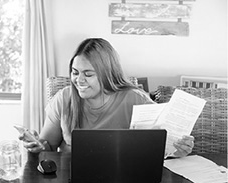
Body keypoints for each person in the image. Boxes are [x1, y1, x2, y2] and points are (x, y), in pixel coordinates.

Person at [19, 38, 194, 158]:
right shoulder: (64, 98)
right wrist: (39, 147)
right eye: (75, 72)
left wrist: (176, 149)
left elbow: (159, 148)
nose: (79, 80)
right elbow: (47, 146)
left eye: (88, 74)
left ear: (107, 74)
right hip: (72, 174)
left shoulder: (136, 100)